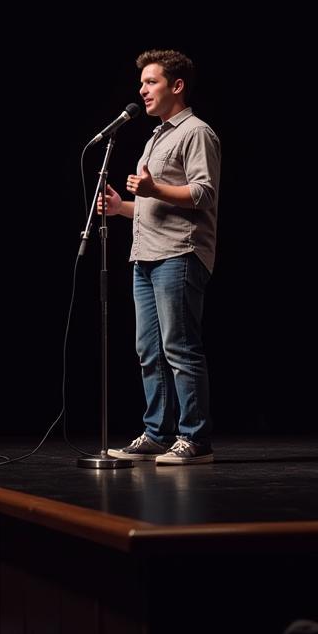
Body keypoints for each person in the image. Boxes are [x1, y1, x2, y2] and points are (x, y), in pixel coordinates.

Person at [100, 49, 221, 465]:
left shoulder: (196, 132)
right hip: (146, 256)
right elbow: (154, 204)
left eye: (151, 82)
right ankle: (157, 432)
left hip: (180, 254)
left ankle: (195, 439)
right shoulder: (156, 136)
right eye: (142, 83)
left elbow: (203, 194)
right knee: (148, 350)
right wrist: (122, 209)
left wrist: (152, 191)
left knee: (180, 348)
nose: (142, 90)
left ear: (177, 85)